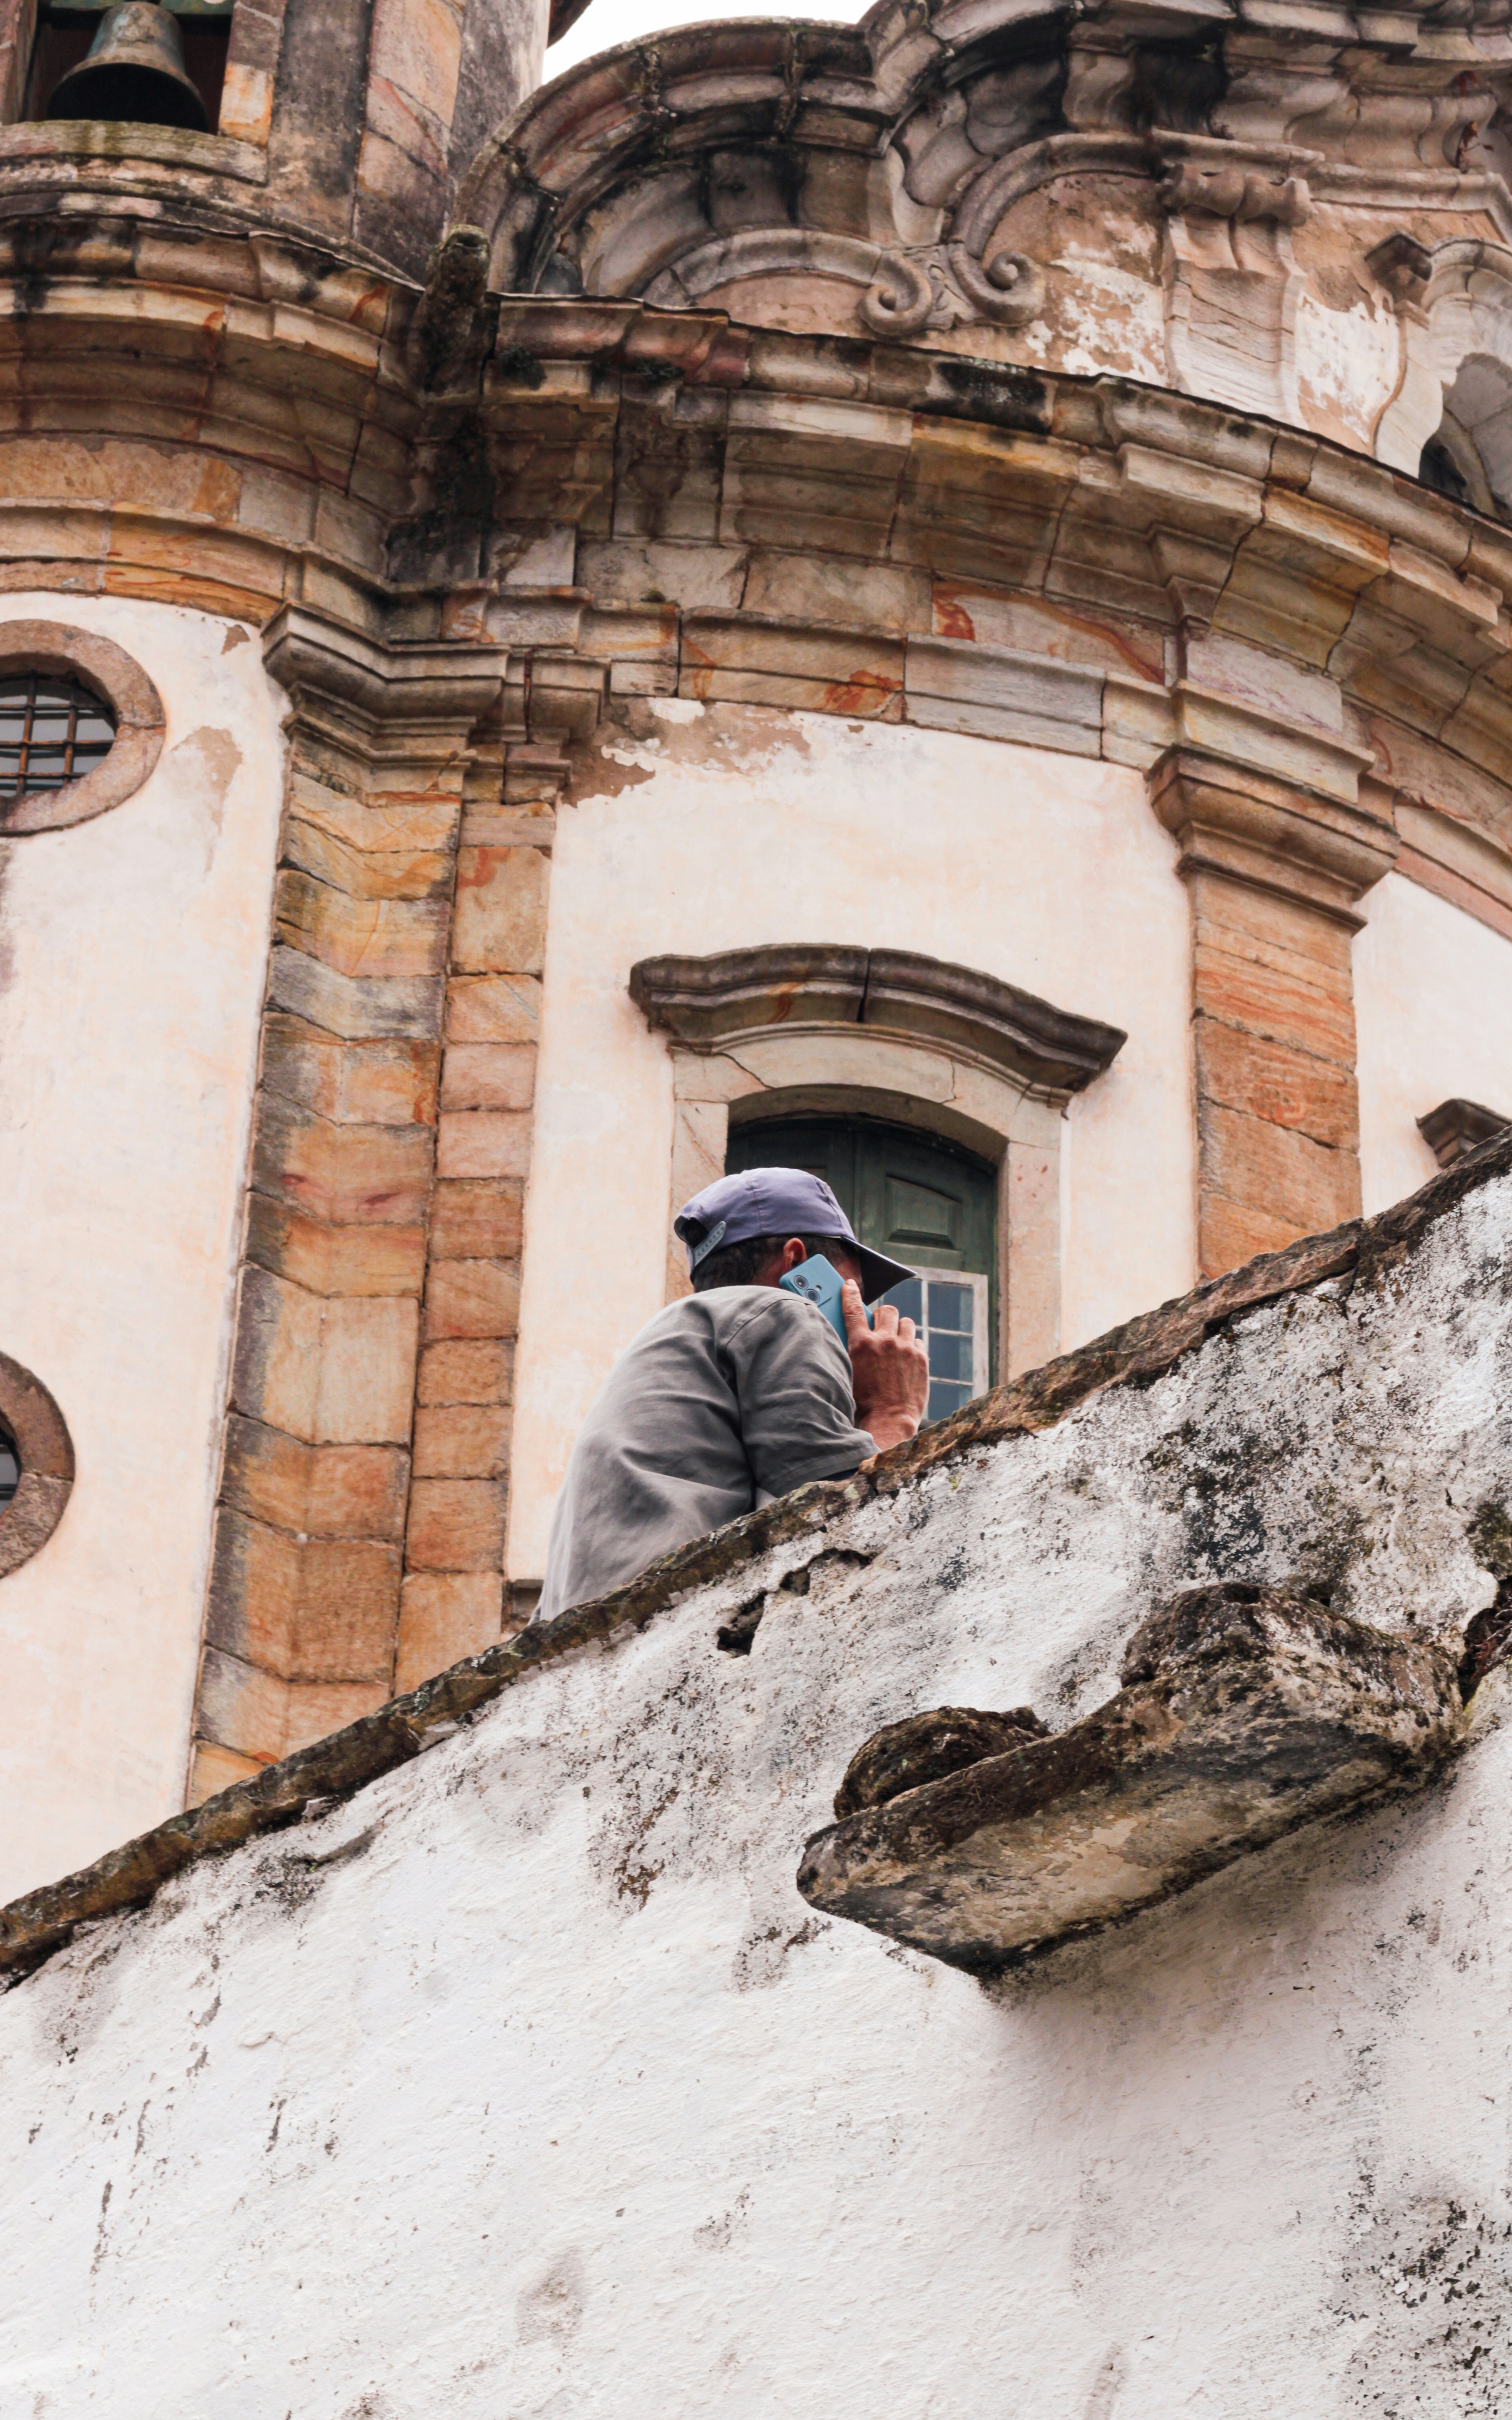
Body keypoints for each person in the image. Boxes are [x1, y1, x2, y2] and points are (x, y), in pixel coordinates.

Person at [535, 1166, 931, 1623]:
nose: (862, 1313)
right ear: (798, 1263)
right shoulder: (784, 1311)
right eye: (855, 1288)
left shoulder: (669, 1334)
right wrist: (892, 1411)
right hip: (674, 1627)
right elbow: (849, 1528)